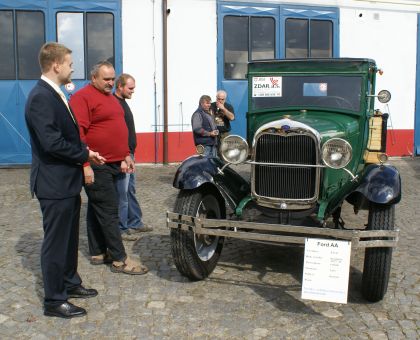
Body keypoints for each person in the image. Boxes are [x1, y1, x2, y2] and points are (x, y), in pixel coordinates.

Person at [25, 42, 106, 318]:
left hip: (66, 182)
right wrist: (85, 154)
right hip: (53, 184)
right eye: (70, 63)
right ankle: (54, 300)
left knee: (70, 239)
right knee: (56, 243)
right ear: (56, 64)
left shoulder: (55, 93)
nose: (73, 67)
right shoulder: (40, 96)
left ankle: (70, 282)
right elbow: (51, 143)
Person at [69, 61, 148, 275]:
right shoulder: (82, 97)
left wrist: (125, 155)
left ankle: (97, 251)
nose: (111, 83)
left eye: (113, 79)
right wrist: (85, 165)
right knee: (109, 209)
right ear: (93, 77)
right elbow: (78, 134)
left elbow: (117, 128)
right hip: (96, 164)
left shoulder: (111, 98)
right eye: (106, 79)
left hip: (115, 162)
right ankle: (120, 258)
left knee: (97, 208)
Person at [114, 73, 153, 241]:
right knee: (121, 194)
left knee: (130, 190)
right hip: (124, 156)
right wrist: (124, 156)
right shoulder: (114, 104)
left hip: (129, 154)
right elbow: (116, 134)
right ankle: (121, 228)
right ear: (120, 87)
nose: (133, 91)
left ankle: (135, 222)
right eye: (130, 88)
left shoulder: (122, 103)